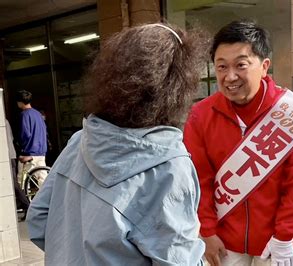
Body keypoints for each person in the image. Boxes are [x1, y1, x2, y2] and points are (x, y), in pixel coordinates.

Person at [26, 23, 208, 265]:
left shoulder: (80, 140)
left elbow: (38, 219)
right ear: (177, 89)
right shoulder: (168, 165)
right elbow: (177, 259)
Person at [184, 20, 293, 266]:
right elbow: (198, 181)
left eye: (241, 65)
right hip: (224, 241)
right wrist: (207, 231)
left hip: (275, 242)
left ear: (264, 66)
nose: (230, 76)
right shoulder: (200, 116)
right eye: (221, 67)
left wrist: (284, 236)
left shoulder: (292, 115)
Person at [15, 90, 48, 186]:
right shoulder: (38, 114)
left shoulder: (24, 115)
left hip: (29, 153)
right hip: (41, 152)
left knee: (22, 182)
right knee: (43, 181)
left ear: (20, 102)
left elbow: (25, 134)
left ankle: (25, 201)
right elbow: (44, 131)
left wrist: (20, 146)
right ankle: (47, 200)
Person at [6, 119, 30, 220]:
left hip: (8, 156)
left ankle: (27, 206)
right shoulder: (6, 121)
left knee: (14, 184)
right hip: (10, 154)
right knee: (14, 184)